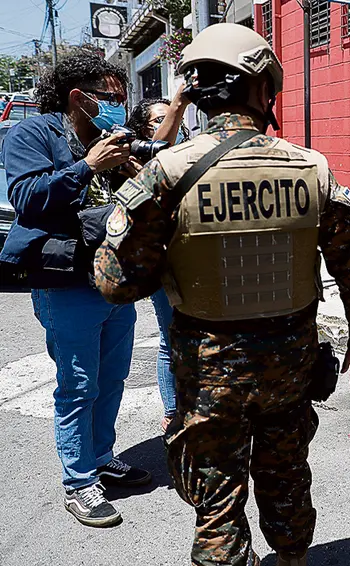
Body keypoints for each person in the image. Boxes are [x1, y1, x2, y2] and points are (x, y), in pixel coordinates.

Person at [94, 24, 350, 566]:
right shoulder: (311, 168)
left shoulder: (168, 172)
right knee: (287, 472)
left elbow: (115, 283)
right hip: (292, 367)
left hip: (207, 373)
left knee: (218, 503)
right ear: (263, 88)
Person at [0, 50, 149, 529]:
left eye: (123, 99)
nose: (118, 107)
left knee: (112, 378)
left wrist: (132, 175)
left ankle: (102, 457)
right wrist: (87, 166)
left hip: (113, 278)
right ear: (77, 97)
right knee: (78, 384)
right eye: (109, 98)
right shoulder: (32, 134)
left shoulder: (112, 140)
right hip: (65, 281)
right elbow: (26, 199)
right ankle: (79, 483)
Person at [124, 92, 191, 431]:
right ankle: (172, 412)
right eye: (160, 120)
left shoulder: (190, 151)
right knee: (171, 339)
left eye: (175, 117)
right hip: (164, 263)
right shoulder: (134, 158)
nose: (172, 124)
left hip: (197, 258)